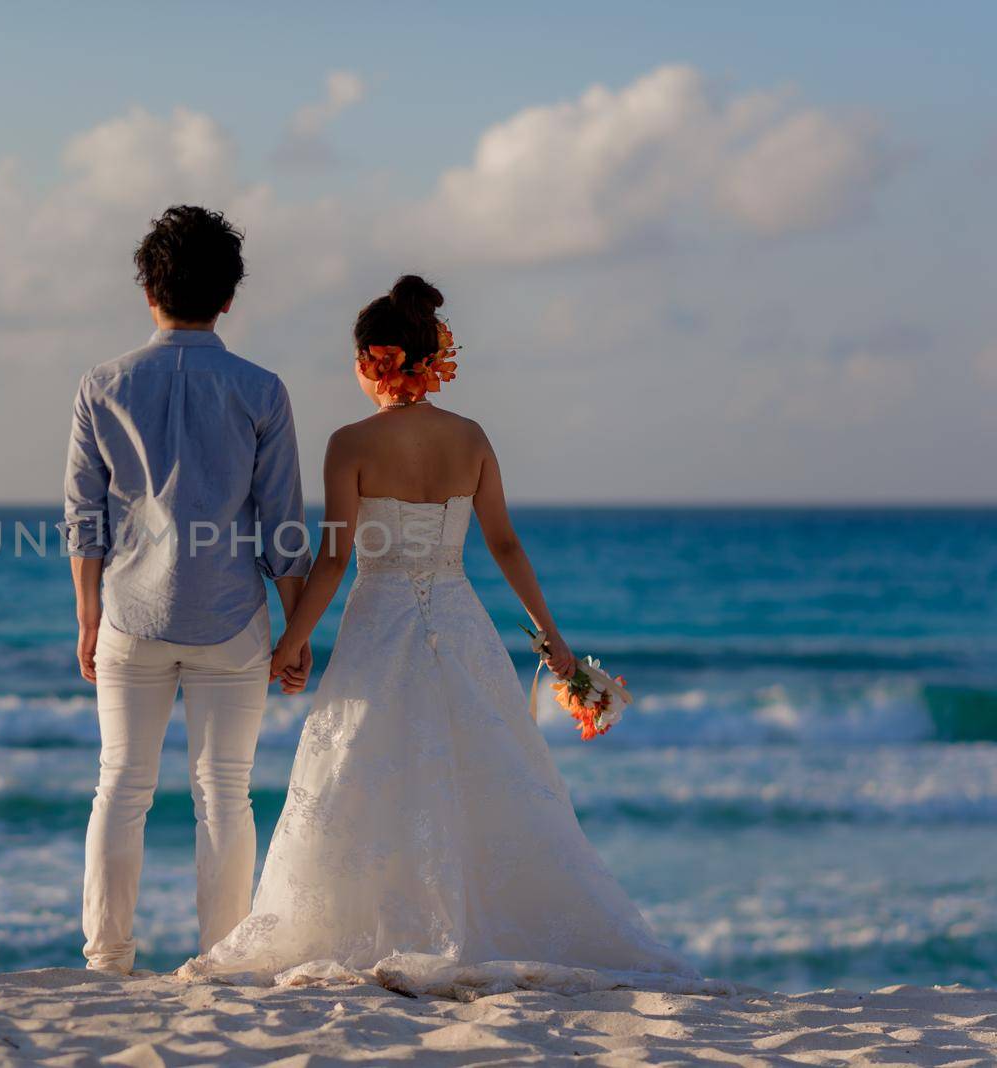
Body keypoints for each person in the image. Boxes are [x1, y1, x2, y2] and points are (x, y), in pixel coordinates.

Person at [181, 275, 697, 982]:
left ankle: (386, 922)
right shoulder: (471, 438)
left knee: (360, 770)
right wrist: (555, 638)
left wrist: (292, 640)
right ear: (432, 359)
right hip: (460, 622)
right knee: (482, 770)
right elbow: (506, 545)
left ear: (372, 362)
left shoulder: (350, 443)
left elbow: (334, 557)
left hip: (378, 623)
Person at [63, 205, 312, 974]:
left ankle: (107, 959)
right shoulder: (260, 389)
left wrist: (87, 617)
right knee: (224, 794)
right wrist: (297, 631)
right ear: (229, 296)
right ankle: (222, 957)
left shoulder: (102, 385)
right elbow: (284, 525)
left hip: (130, 618)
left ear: (149, 289)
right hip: (233, 619)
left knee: (121, 787)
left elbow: (83, 516)